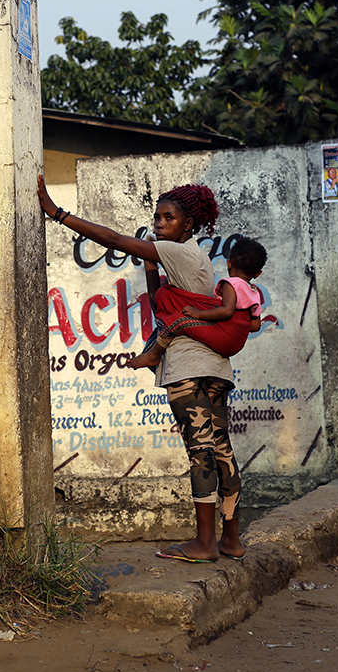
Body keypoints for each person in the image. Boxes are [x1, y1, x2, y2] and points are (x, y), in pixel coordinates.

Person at [37, 175, 244, 564]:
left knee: (199, 452)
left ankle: (204, 544)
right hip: (215, 366)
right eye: (157, 217)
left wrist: (58, 214)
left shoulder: (178, 252)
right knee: (220, 450)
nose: (159, 223)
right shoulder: (194, 258)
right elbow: (159, 304)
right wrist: (151, 264)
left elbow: (115, 240)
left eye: (168, 218)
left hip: (187, 367)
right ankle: (230, 540)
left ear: (188, 224)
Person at [126, 236, 268, 371]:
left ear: (229, 263)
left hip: (224, 340)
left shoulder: (231, 284)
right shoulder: (254, 292)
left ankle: (154, 355)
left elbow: (227, 311)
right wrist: (236, 325)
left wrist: (199, 314)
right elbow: (255, 326)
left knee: (179, 321)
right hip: (236, 345)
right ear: (258, 273)